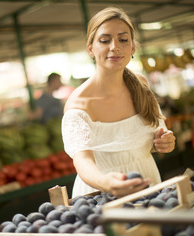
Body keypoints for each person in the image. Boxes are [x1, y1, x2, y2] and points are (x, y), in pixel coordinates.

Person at [61, 7, 176, 198]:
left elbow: (157, 137)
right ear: (90, 48)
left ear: (132, 48)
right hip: (102, 194)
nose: (114, 47)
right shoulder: (79, 104)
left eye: (123, 40)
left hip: (149, 183)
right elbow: (82, 162)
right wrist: (107, 183)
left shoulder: (141, 85)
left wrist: (165, 142)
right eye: (104, 40)